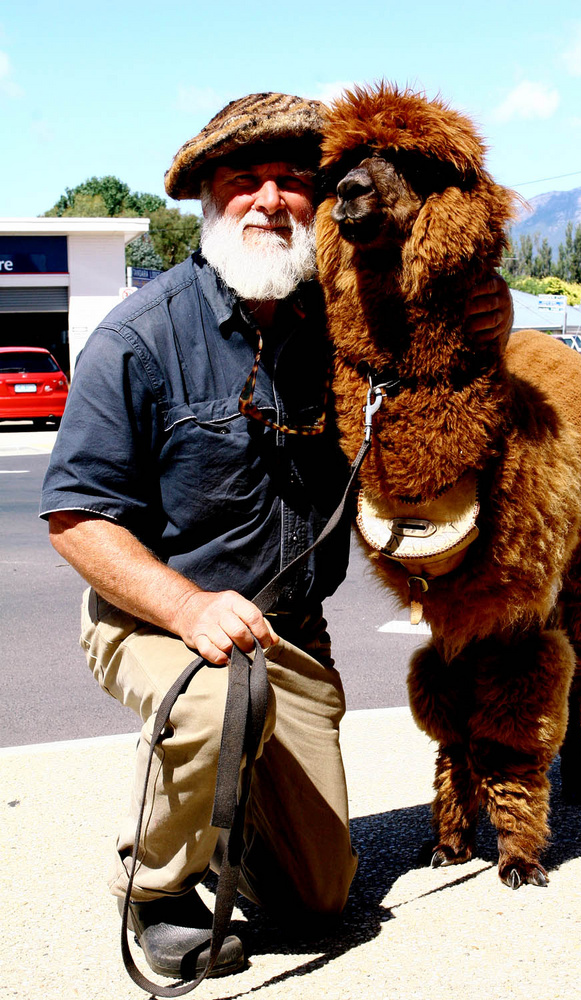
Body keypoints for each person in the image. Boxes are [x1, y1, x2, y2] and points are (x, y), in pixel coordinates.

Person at [40, 92, 514, 982]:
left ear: (320, 203)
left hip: (288, 634)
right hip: (152, 616)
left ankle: (233, 820)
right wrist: (185, 606)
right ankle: (155, 888)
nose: (269, 200)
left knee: (319, 904)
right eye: (241, 181)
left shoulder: (338, 321)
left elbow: (434, 346)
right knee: (217, 703)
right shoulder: (139, 339)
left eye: (293, 182)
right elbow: (75, 515)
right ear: (207, 201)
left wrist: (492, 317)